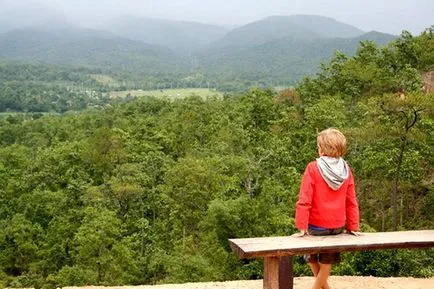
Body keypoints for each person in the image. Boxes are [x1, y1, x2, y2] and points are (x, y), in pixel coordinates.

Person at [295, 128, 360, 289]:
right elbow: (351, 200)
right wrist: (353, 226)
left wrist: (302, 227)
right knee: (326, 263)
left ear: (322, 149)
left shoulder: (313, 168)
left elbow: (305, 199)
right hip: (337, 226)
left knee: (311, 257)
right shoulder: (346, 170)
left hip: (316, 226)